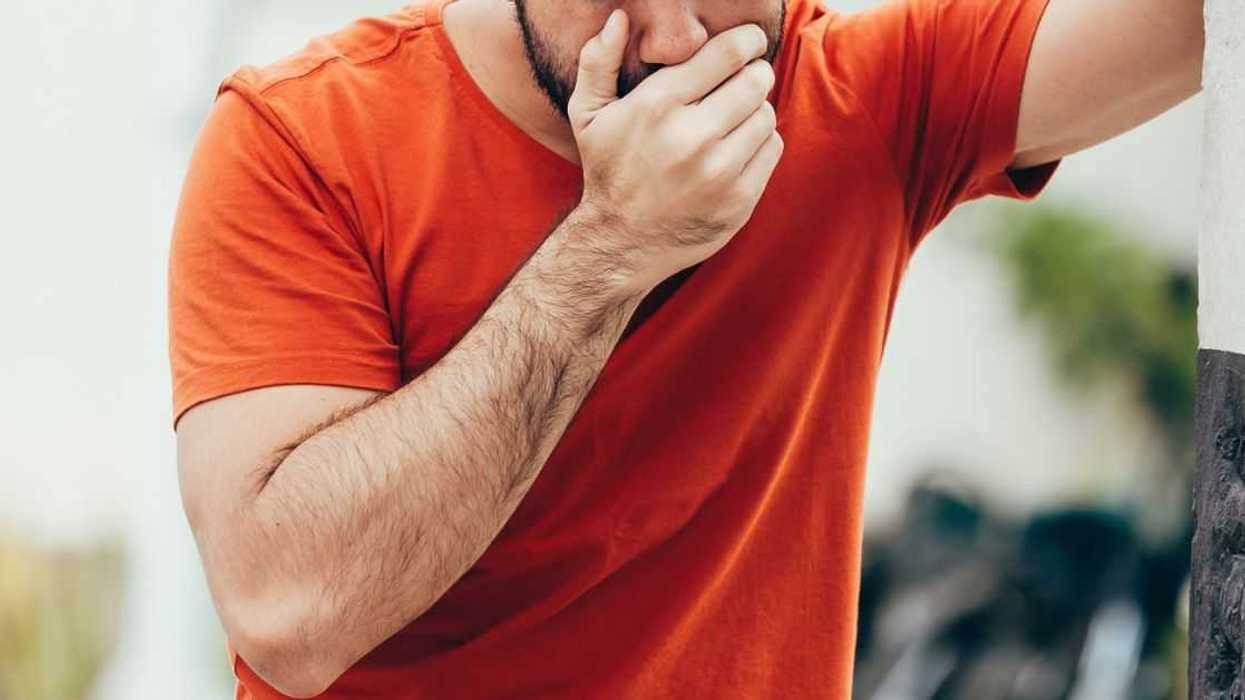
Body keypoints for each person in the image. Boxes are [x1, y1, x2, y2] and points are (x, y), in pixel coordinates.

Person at [167, 0, 1204, 696]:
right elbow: (286, 605)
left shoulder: (862, 101)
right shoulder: (302, 141)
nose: (667, 41)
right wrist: (605, 253)